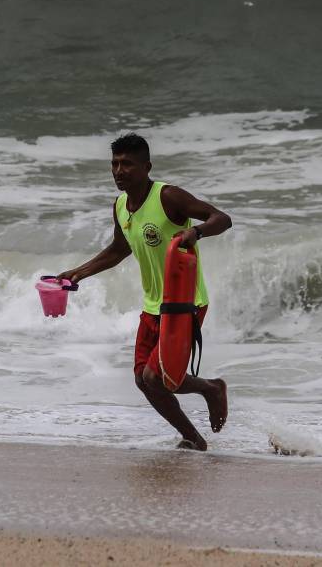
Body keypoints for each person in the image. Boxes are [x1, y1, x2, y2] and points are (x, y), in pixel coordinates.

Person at [57, 133, 231, 451]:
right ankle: (194, 436)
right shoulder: (122, 206)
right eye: (114, 164)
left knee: (157, 377)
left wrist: (196, 231)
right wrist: (79, 272)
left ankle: (211, 391)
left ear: (146, 166)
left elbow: (222, 218)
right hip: (153, 305)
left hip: (184, 304)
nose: (119, 171)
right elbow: (118, 249)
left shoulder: (168, 197)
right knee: (143, 380)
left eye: (127, 164)